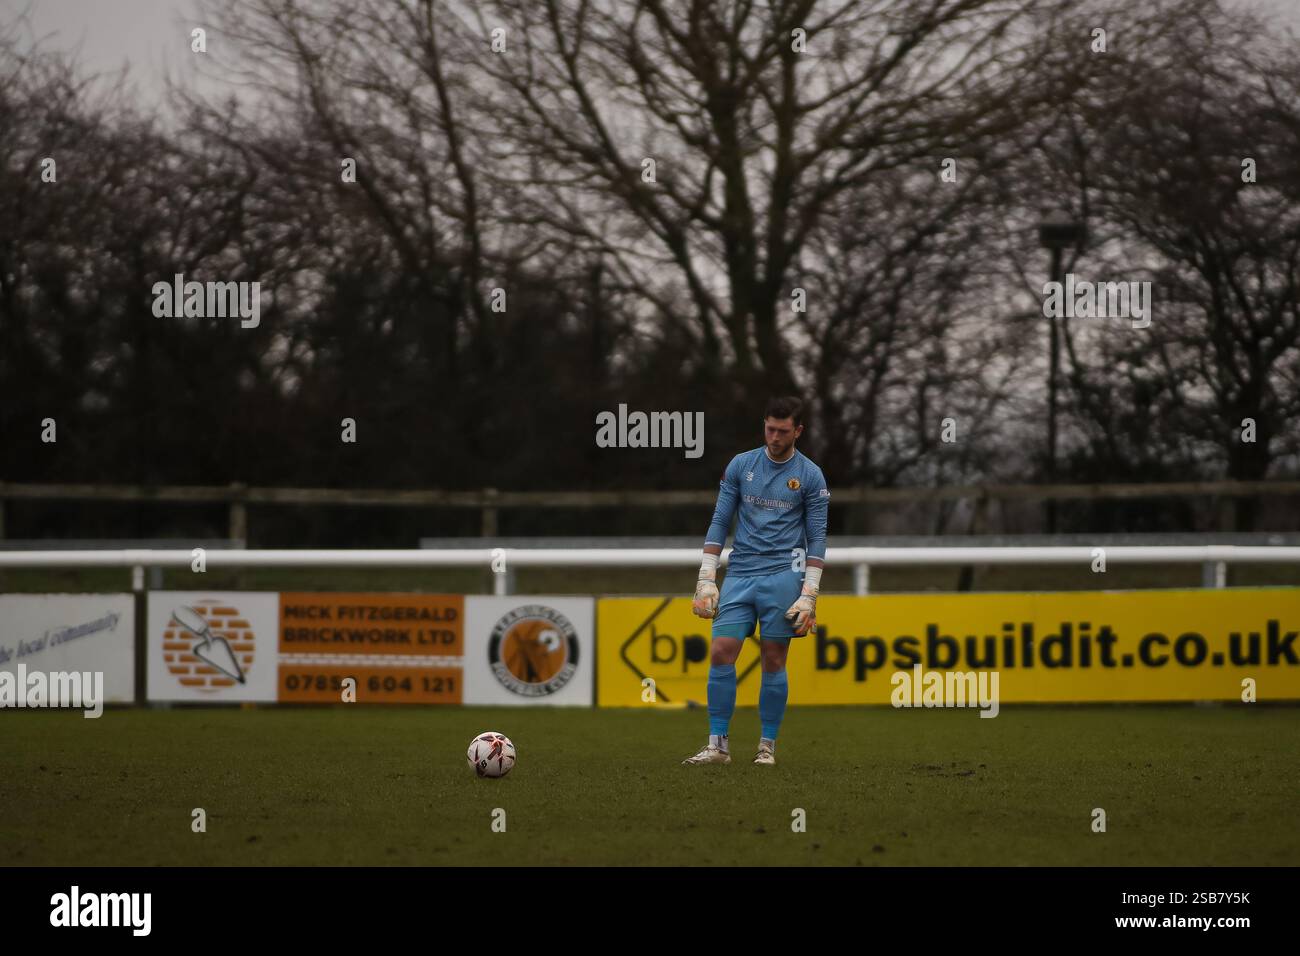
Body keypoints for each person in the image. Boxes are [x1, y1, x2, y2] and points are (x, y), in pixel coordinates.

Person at [682, 396, 829, 766]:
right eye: (769, 428)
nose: (774, 436)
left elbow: (818, 536)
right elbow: (720, 520)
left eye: (783, 430)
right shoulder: (741, 465)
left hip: (784, 575)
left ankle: (767, 746)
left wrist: (809, 593)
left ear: (798, 431)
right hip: (741, 572)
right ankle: (718, 745)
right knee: (720, 651)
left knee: (774, 658)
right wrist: (706, 577)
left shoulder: (810, 475)